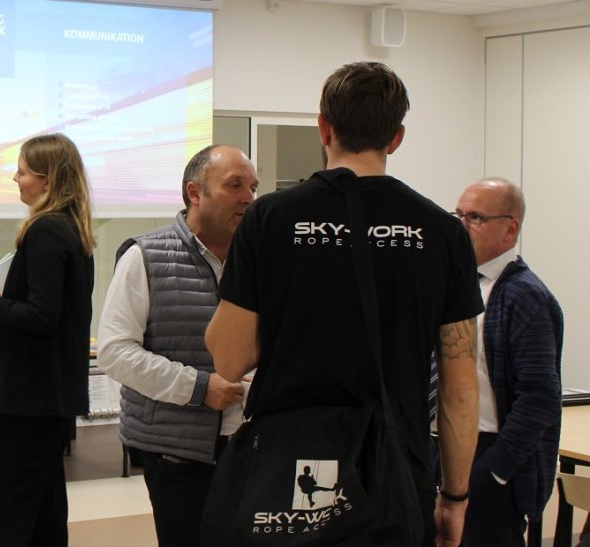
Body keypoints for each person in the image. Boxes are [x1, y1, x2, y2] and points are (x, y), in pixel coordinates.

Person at [205, 62, 482, 547]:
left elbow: (230, 359)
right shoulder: (442, 232)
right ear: (396, 138)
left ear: (324, 127)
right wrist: (455, 497)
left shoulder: (270, 218)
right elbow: (460, 385)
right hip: (395, 469)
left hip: (289, 467)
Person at [97, 145, 257, 547]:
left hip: (251, 445)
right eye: (235, 185)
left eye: (253, 188)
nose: (248, 198)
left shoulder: (261, 259)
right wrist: (199, 388)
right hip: (177, 452)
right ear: (194, 192)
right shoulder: (145, 256)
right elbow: (115, 351)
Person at [0, 133, 96, 547]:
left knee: (6, 511)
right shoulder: (72, 229)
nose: (15, 179)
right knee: (44, 505)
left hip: (29, 397)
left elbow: (42, 315)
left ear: (47, 179)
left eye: (22, 172)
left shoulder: (45, 230)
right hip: (50, 394)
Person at [452, 178, 563, 546]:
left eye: (475, 217)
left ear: (510, 229)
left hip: (488, 457)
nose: (462, 225)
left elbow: (540, 397)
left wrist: (496, 471)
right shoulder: (458, 284)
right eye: (458, 215)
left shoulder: (526, 296)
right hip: (445, 449)